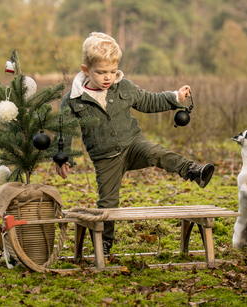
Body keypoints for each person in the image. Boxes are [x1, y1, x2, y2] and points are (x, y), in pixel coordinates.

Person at [56, 32, 214, 255]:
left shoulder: (124, 87)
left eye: (112, 71)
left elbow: (149, 100)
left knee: (156, 152)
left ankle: (192, 171)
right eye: (101, 72)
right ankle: (105, 244)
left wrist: (175, 97)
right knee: (108, 202)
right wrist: (64, 158)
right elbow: (63, 129)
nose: (108, 77)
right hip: (105, 157)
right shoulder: (74, 99)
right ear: (86, 70)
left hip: (132, 145)